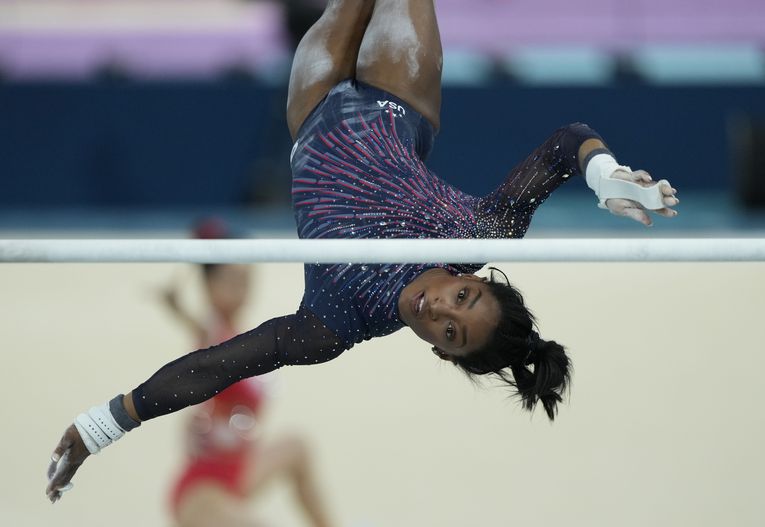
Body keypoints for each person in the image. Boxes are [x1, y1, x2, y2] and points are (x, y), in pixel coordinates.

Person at [46, 0, 679, 503]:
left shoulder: (335, 323)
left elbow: (217, 366)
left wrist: (103, 425)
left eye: (451, 333)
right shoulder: (482, 236)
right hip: (397, 99)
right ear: (478, 279)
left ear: (439, 350)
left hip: (314, 107)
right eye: (465, 297)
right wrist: (608, 179)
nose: (441, 309)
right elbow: (567, 141)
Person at [161, 218, 334, 527]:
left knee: (297, 448)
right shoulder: (213, 336)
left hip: (239, 471)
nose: (241, 290)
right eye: (230, 281)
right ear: (210, 286)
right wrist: (194, 265)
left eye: (246, 281)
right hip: (204, 489)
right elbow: (202, 332)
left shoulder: (240, 336)